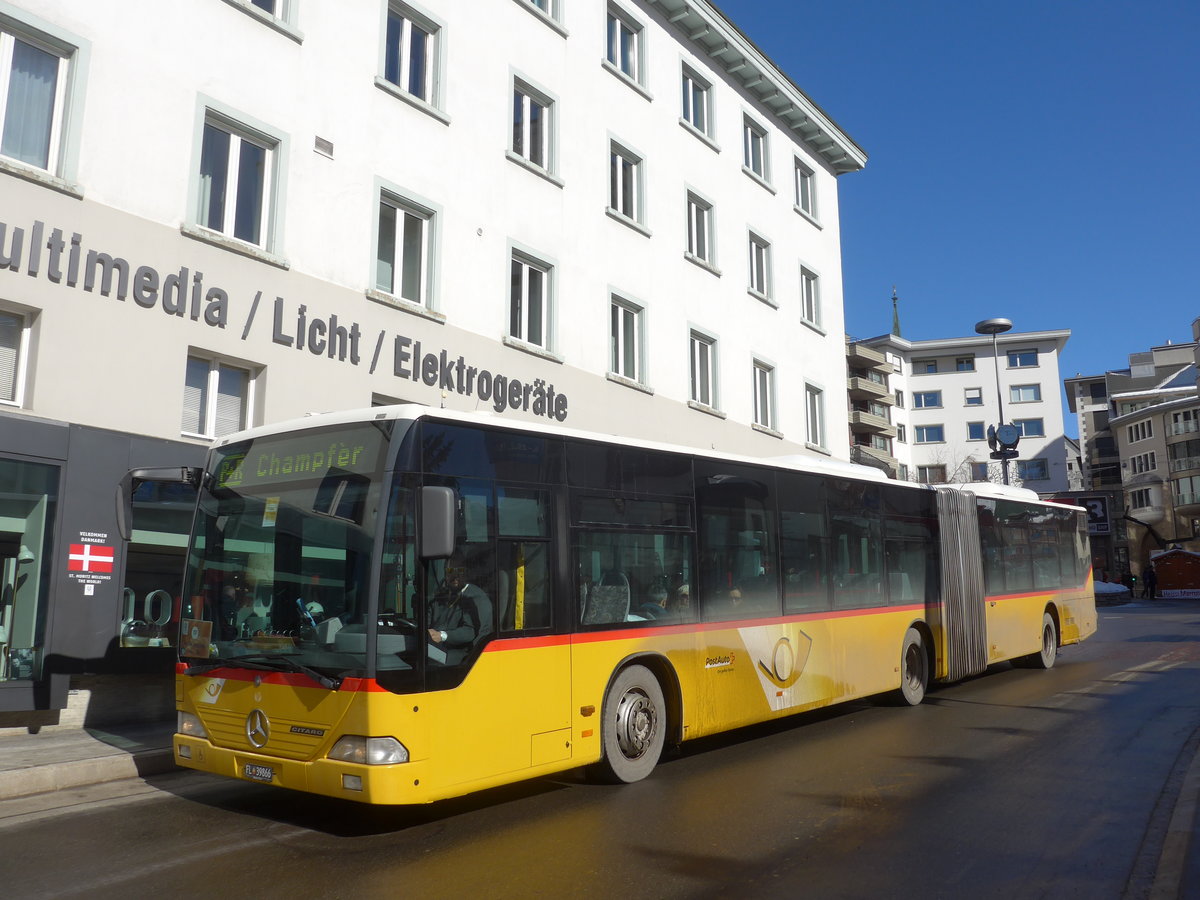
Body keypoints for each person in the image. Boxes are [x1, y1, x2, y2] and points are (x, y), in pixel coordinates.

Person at [427, 551, 491, 664]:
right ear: (445, 574)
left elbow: (470, 631)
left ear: (466, 573)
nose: (455, 576)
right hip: (436, 648)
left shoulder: (476, 597)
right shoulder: (441, 596)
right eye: (451, 571)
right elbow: (427, 619)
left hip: (463, 654)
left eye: (460, 570)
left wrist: (442, 636)